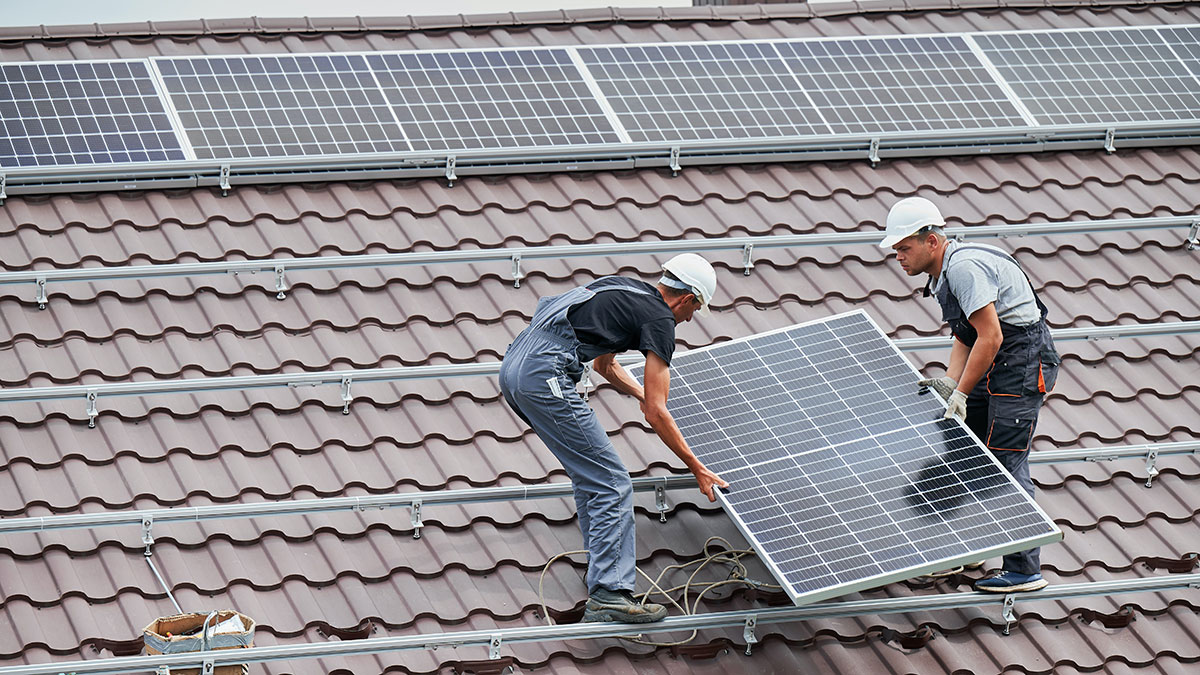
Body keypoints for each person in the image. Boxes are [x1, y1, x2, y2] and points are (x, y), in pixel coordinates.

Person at [498, 253, 729, 623]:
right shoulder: (660, 318)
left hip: (515, 367)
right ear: (686, 299)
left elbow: (606, 366)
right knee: (612, 481)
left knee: (591, 475)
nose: (689, 319)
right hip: (544, 374)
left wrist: (640, 394)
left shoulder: (625, 289)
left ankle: (602, 577)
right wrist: (696, 467)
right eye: (695, 310)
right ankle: (610, 593)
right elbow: (656, 411)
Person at [880, 197, 1061, 593]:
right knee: (961, 442)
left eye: (904, 248)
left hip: (1022, 361)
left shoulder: (962, 269)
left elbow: (992, 335)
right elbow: (966, 332)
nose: (899, 257)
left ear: (932, 241)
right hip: (996, 355)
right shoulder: (941, 274)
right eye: (895, 250)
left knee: (1004, 464)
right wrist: (950, 383)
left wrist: (963, 391)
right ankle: (974, 542)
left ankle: (1024, 569)